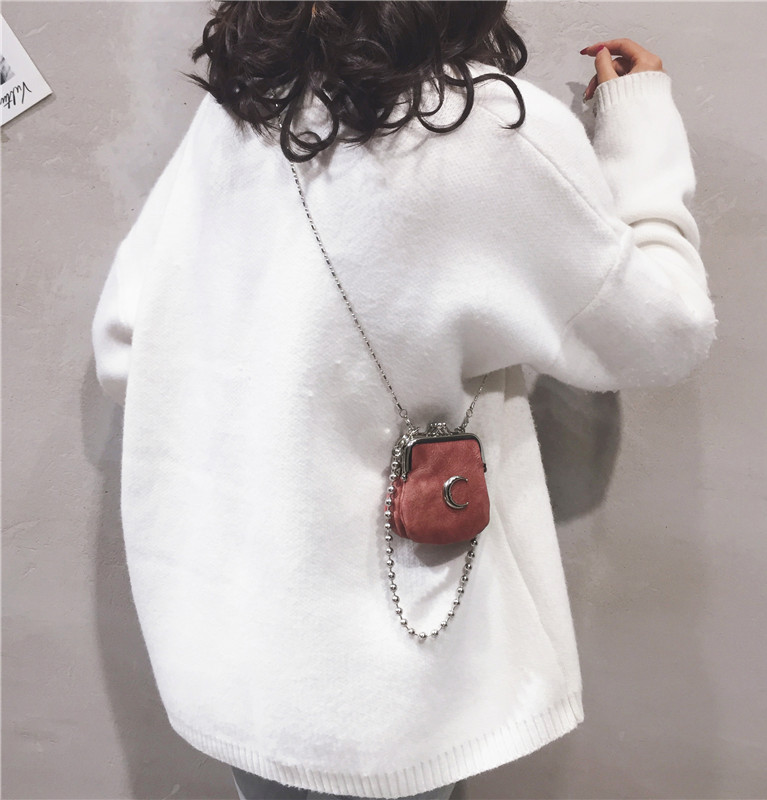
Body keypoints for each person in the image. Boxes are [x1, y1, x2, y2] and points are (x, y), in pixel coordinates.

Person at [90, 2, 717, 799]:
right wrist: (638, 128)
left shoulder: (242, 113)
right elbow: (664, 331)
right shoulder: (486, 131)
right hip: (384, 676)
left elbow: (124, 346)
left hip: (234, 653)